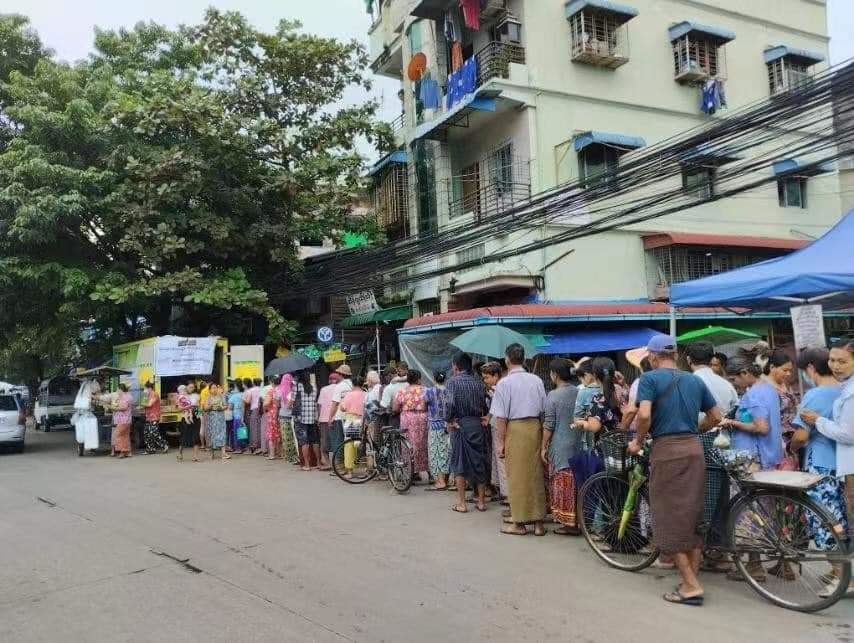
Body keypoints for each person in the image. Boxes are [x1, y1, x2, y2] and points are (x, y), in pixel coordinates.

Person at [628, 335, 721, 606]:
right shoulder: (695, 380)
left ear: (652, 357)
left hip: (667, 451)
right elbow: (716, 416)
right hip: (694, 449)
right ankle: (691, 579)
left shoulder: (649, 379)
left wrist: (638, 441)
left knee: (667, 517)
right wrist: (694, 430)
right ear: (677, 355)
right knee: (692, 516)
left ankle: (690, 586)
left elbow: (644, 415)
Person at [798, 340, 854, 598]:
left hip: (824, 464)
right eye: (833, 360)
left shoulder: (829, 394)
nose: (836, 366)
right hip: (840, 466)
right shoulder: (843, 389)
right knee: (840, 520)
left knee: (826, 520)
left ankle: (842, 577)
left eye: (842, 361)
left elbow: (847, 434)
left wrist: (817, 421)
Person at [492, 343, 548, 537]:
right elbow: (543, 410)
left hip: (515, 429)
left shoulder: (504, 384)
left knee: (516, 477)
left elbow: (501, 418)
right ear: (523, 359)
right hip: (535, 427)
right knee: (536, 475)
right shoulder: (536, 380)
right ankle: (539, 524)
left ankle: (519, 523)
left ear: (507, 359)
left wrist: (500, 443)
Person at [445, 352, 489, 514]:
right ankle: (481, 502)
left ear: (456, 366)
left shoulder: (452, 382)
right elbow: (484, 405)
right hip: (477, 424)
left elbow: (449, 405)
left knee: (459, 464)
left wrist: (449, 420)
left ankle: (462, 503)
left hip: (460, 424)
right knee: (479, 462)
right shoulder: (479, 383)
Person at [541, 358, 580, 535]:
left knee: (563, 484)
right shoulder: (579, 391)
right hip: (578, 443)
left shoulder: (553, 395)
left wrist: (543, 446)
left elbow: (549, 424)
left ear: (555, 374)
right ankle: (577, 520)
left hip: (560, 445)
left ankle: (568, 524)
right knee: (577, 483)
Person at [762, 349, 799, 468]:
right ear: (772, 367)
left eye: (790, 371)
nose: (788, 374)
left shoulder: (783, 383)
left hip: (791, 439)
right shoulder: (764, 386)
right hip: (776, 439)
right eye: (785, 370)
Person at [686, 342, 739, 419]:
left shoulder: (686, 383)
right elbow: (735, 409)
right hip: (725, 425)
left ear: (688, 359)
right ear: (711, 359)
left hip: (697, 426)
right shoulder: (727, 384)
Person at [394, 370, 430, 482]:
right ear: (419, 379)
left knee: (407, 444)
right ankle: (429, 472)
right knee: (424, 444)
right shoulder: (426, 390)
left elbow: (395, 408)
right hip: (422, 418)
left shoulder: (402, 391)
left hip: (407, 419)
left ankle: (411, 473)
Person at [481, 362, 507, 501]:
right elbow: (494, 408)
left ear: (496, 375)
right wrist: (489, 417)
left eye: (487, 377)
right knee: (498, 460)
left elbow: (500, 412)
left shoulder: (501, 388)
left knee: (501, 459)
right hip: (496, 424)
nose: (485, 380)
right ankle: (502, 491)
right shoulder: (497, 389)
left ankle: (507, 494)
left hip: (499, 427)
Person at [424, 372, 451, 491]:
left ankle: (440, 481)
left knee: (436, 452)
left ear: (434, 379)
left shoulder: (430, 391)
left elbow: (424, 404)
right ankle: (447, 479)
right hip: (448, 425)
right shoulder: (449, 391)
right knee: (447, 451)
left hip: (435, 426)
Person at [291, 370, 320, 471]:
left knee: (304, 442)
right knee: (315, 441)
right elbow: (315, 401)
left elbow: (292, 401)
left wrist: (290, 404)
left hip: (300, 419)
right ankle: (318, 463)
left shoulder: (297, 387)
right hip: (312, 418)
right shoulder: (314, 387)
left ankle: (307, 465)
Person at [339, 376, 366, 478]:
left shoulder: (349, 395)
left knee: (350, 445)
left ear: (353, 384)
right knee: (362, 444)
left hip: (352, 419)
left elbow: (342, 408)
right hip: (363, 419)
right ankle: (364, 469)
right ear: (362, 384)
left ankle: (350, 471)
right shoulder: (366, 394)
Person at [328, 365, 354, 466]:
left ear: (341, 375)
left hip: (340, 417)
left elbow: (335, 404)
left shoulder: (339, 386)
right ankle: (350, 464)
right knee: (350, 441)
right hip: (352, 416)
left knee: (339, 441)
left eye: (338, 374)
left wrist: (330, 418)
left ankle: (339, 465)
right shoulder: (353, 385)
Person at [316, 372, 341, 470]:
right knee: (337, 440)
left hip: (324, 419)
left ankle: (327, 463)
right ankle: (337, 463)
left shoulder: (323, 389)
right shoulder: (340, 388)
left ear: (329, 380)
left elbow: (320, 405)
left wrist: (318, 417)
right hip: (336, 418)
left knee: (324, 441)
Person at [380, 363, 409, 429]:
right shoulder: (408, 383)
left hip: (395, 416)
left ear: (389, 375)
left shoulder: (388, 388)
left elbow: (384, 405)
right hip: (409, 415)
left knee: (395, 433)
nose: (386, 380)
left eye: (386, 378)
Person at [205, 383, 230, 461]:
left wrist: (222, 408)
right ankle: (211, 453)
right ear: (210, 390)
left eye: (215, 387)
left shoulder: (221, 397)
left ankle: (223, 453)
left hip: (220, 418)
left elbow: (226, 406)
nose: (214, 389)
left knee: (222, 433)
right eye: (213, 388)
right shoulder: (208, 398)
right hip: (212, 418)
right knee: (212, 434)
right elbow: (205, 408)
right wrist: (210, 406)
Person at [176, 384, 200, 462]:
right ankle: (180, 454)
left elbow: (198, 407)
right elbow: (179, 408)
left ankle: (195, 456)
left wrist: (199, 414)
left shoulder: (196, 396)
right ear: (186, 387)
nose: (191, 388)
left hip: (195, 418)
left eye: (193, 387)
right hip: (185, 418)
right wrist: (188, 407)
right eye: (190, 387)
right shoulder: (181, 396)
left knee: (196, 437)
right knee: (184, 437)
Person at [142, 381, 167, 454]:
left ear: (149, 388)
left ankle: (164, 445)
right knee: (147, 433)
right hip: (148, 416)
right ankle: (150, 449)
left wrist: (143, 398)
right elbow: (143, 405)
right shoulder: (146, 395)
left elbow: (149, 404)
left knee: (153, 432)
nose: (144, 390)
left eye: (145, 388)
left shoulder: (154, 394)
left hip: (154, 416)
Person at [278, 373, 298, 464]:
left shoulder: (279, 390)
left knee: (286, 437)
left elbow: (277, 403)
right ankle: (295, 456)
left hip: (283, 415)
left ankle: (288, 456)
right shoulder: (293, 390)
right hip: (293, 416)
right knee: (294, 437)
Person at [111, 383, 133, 459]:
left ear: (120, 389)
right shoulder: (127, 396)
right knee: (125, 436)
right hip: (127, 419)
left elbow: (124, 407)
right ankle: (127, 452)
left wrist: (114, 408)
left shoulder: (124, 397)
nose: (117, 391)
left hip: (123, 419)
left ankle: (122, 452)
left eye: (117, 389)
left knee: (118, 435)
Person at [264, 376, 282, 460]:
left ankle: (272, 454)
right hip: (281, 413)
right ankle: (280, 453)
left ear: (272, 382)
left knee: (271, 434)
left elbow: (266, 403)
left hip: (272, 414)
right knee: (279, 433)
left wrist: (265, 406)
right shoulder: (282, 390)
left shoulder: (271, 391)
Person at [245, 378, 263, 455]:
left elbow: (248, 401)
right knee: (260, 428)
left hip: (254, 410)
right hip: (261, 411)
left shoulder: (251, 390)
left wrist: (243, 399)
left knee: (253, 429)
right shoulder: (262, 390)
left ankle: (254, 446)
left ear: (253, 383)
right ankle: (260, 446)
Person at [227, 380, 246, 453]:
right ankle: (243, 447)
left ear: (236, 387)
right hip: (244, 416)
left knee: (236, 432)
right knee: (242, 432)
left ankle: (238, 448)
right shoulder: (244, 394)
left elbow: (230, 407)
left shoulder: (234, 396)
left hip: (236, 416)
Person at [198, 381, 210, 450]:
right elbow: (203, 403)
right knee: (206, 429)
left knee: (202, 428)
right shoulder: (206, 391)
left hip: (200, 411)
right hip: (205, 411)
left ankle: (203, 445)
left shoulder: (201, 392)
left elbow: (199, 403)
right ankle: (208, 445)